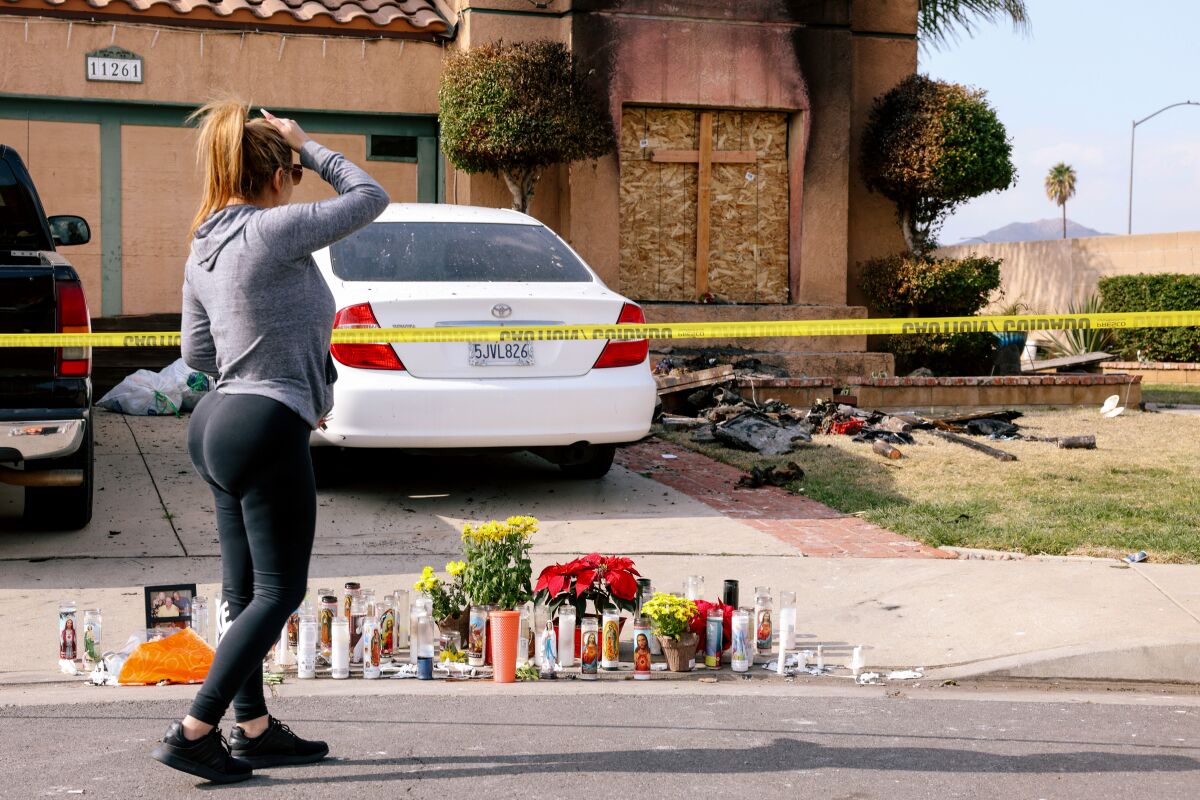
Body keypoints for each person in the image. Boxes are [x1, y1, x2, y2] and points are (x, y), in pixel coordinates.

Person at [150, 99, 388, 785]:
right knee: (280, 591)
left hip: (217, 423)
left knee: (245, 586)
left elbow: (196, 350)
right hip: (265, 420)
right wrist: (307, 142)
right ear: (279, 176)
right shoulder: (275, 230)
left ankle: (251, 728)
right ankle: (195, 729)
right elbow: (370, 195)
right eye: (295, 171)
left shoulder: (203, 245)